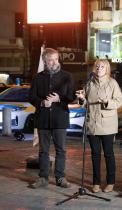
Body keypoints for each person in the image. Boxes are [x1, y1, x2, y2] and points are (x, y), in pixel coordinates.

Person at [29, 48, 76, 189]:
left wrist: (59, 98)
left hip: (60, 119)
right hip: (43, 119)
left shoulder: (67, 76)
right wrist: (42, 102)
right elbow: (31, 97)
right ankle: (43, 178)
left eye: (56, 59)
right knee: (43, 150)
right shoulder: (37, 77)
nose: (54, 62)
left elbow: (71, 97)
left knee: (61, 150)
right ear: (44, 61)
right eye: (50, 60)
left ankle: (60, 178)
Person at [76, 59, 122, 193]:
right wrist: (81, 98)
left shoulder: (112, 83)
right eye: (97, 66)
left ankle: (110, 182)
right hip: (92, 124)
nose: (99, 68)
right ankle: (96, 182)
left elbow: (119, 101)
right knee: (95, 155)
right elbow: (85, 103)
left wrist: (107, 102)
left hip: (107, 124)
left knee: (108, 154)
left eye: (102, 66)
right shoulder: (90, 84)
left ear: (107, 68)